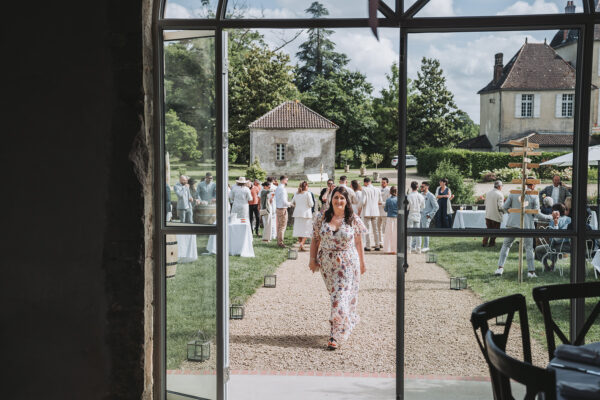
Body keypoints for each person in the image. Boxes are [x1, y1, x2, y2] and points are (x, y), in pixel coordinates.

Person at [309, 186, 367, 350]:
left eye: (342, 198)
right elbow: (315, 239)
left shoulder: (352, 218)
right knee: (336, 296)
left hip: (348, 264)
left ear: (347, 201)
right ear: (331, 199)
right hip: (327, 266)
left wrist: (362, 263)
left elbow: (358, 242)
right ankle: (346, 320)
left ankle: (335, 334)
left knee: (339, 298)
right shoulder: (322, 217)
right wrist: (312, 259)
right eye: (336, 197)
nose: (339, 201)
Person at [495, 178, 541, 278]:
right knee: (529, 248)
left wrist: (512, 214)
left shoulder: (513, 193)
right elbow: (537, 214)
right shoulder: (534, 195)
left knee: (506, 245)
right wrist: (550, 217)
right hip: (527, 226)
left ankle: (500, 268)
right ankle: (531, 272)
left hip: (512, 224)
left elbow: (504, 207)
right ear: (532, 185)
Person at [291, 181, 314, 251]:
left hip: (297, 213)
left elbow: (292, 203)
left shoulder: (296, 194)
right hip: (306, 214)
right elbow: (311, 204)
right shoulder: (308, 194)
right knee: (306, 230)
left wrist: (297, 206)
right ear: (306, 186)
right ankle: (302, 244)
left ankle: (301, 244)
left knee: (299, 230)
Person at [361, 177, 382, 251]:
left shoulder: (364, 190)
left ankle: (368, 246)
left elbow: (363, 202)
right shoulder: (377, 189)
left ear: (365, 182)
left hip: (367, 211)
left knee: (367, 229)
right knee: (376, 229)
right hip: (375, 211)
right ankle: (377, 245)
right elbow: (380, 201)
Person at [482, 180, 505, 247]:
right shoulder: (500, 194)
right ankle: (492, 243)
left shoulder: (488, 193)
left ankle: (484, 242)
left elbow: (485, 203)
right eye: (501, 186)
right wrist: (506, 211)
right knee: (495, 231)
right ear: (499, 186)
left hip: (488, 215)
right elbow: (500, 207)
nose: (502, 187)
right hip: (496, 216)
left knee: (488, 229)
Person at [407, 181, 425, 253]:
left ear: (411, 187)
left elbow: (407, 207)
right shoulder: (421, 196)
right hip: (417, 214)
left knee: (409, 233)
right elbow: (423, 206)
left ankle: (409, 249)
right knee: (418, 233)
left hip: (411, 214)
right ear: (417, 187)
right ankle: (418, 249)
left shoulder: (409, 196)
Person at [420, 181, 438, 253]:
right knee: (417, 230)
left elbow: (436, 207)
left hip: (426, 216)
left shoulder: (431, 196)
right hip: (420, 215)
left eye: (422, 186)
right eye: (421, 186)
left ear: (427, 187)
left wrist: (430, 215)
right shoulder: (420, 194)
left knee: (425, 231)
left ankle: (426, 246)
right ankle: (414, 246)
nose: (421, 188)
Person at [275, 175, 291, 248]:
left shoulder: (278, 188)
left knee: (279, 226)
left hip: (278, 208)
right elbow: (284, 201)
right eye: (286, 180)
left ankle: (278, 241)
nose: (287, 181)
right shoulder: (283, 189)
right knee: (282, 226)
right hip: (282, 208)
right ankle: (280, 242)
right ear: (283, 180)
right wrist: (290, 204)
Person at [377, 177, 392, 250]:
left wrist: (382, 203)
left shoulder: (389, 190)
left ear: (387, 183)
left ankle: (386, 243)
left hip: (385, 212)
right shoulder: (378, 189)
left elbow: (389, 201)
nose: (382, 184)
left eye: (384, 182)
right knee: (378, 227)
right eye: (382, 182)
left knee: (385, 228)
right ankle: (380, 242)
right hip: (378, 211)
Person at [383, 186, 398, 254]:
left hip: (389, 217)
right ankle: (395, 249)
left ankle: (388, 249)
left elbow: (385, 209)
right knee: (396, 234)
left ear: (390, 192)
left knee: (389, 234)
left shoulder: (388, 200)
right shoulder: (398, 199)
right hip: (397, 218)